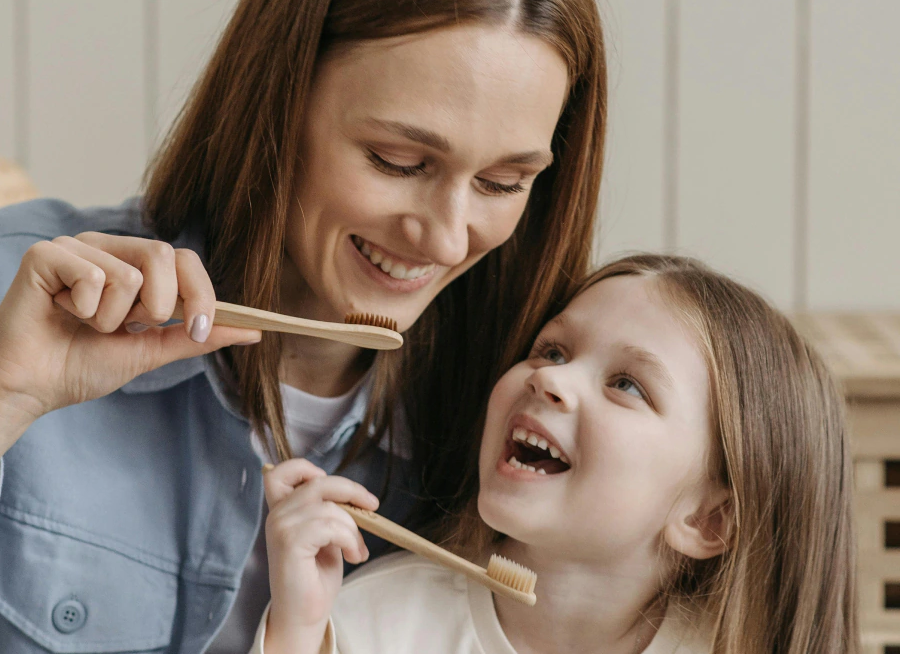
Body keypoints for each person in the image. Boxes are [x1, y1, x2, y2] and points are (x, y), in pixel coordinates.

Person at [0, 0, 607, 652]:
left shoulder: (524, 419)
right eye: (396, 160)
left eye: (502, 182)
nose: (448, 238)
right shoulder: (9, 286)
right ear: (277, 102)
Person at [257, 254, 858, 654]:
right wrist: (298, 632)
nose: (551, 380)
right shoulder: (372, 625)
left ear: (709, 520)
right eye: (552, 350)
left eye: (626, 384)